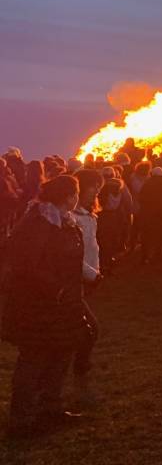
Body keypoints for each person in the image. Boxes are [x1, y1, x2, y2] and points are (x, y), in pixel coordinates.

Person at [2, 175, 91, 437]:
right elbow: (28, 265)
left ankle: (50, 408)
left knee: (60, 354)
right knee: (33, 359)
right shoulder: (40, 222)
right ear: (67, 196)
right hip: (37, 305)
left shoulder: (65, 222)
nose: (78, 197)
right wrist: (57, 289)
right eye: (75, 193)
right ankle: (22, 420)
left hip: (62, 304)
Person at [70, 169, 103, 408]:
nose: (96, 193)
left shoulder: (89, 215)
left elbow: (92, 246)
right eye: (93, 188)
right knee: (90, 328)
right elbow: (72, 255)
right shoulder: (73, 217)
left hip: (87, 278)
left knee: (83, 327)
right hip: (74, 279)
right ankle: (78, 366)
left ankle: (77, 365)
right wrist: (91, 274)